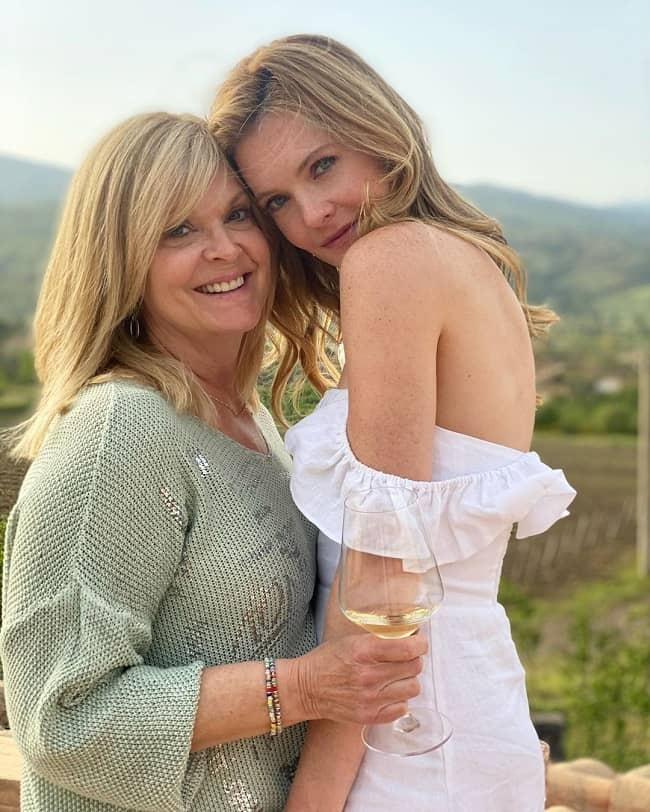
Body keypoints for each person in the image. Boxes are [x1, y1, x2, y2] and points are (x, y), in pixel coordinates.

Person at [0, 111, 427, 812]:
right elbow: (59, 719)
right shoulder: (121, 429)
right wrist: (302, 687)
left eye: (238, 214)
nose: (225, 249)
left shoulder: (252, 421)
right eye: (178, 230)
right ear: (121, 260)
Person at [209, 34, 577, 812]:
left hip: (405, 743)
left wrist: (310, 803)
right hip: (459, 713)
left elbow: (379, 604)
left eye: (322, 166)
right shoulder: (459, 261)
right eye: (276, 201)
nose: (310, 214)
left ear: (375, 127)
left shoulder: (391, 262)